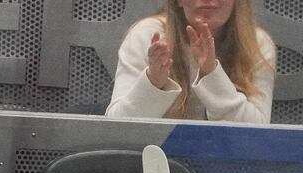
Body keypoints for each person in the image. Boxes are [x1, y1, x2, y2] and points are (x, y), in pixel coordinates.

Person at [106, 0, 274, 123]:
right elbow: (116, 125)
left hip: (229, 163)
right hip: (157, 160)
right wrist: (153, 83)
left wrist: (211, 73)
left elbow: (257, 132)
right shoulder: (146, 36)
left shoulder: (257, 44)